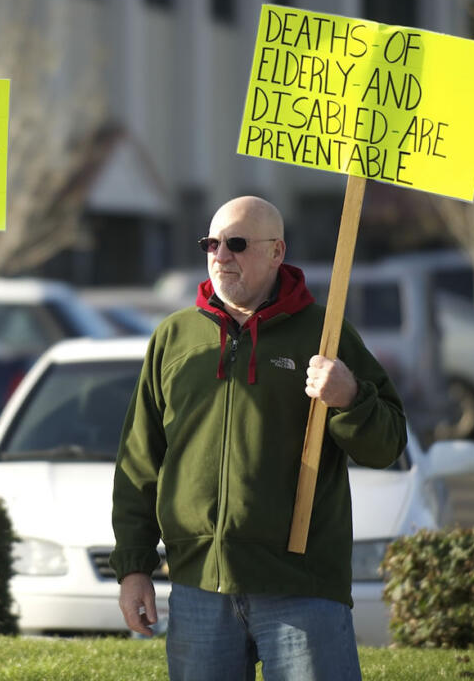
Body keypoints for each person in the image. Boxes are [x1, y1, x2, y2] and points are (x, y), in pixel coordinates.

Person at [110, 196, 406, 681]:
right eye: (212, 243)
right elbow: (140, 461)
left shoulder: (325, 335)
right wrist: (133, 567)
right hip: (199, 585)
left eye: (237, 244)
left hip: (302, 587)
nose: (221, 255)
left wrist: (350, 397)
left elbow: (387, 444)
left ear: (276, 252)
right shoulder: (174, 338)